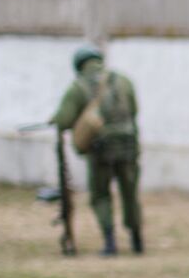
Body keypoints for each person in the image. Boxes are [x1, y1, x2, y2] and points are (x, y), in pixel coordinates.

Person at [49, 44, 142, 256]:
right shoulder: (122, 81)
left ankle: (110, 243)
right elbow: (134, 111)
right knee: (130, 194)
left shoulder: (79, 87)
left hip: (102, 151)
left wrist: (57, 120)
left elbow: (64, 120)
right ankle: (137, 239)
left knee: (101, 195)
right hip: (128, 147)